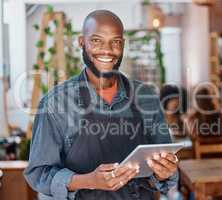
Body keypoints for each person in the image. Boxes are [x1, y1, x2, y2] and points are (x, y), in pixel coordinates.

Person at [24, 10, 178, 200]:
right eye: (96, 40)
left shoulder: (146, 97)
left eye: (115, 42)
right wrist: (88, 180)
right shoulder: (55, 104)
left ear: (123, 45)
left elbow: (166, 172)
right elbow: (39, 173)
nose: (107, 50)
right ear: (82, 42)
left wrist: (165, 172)